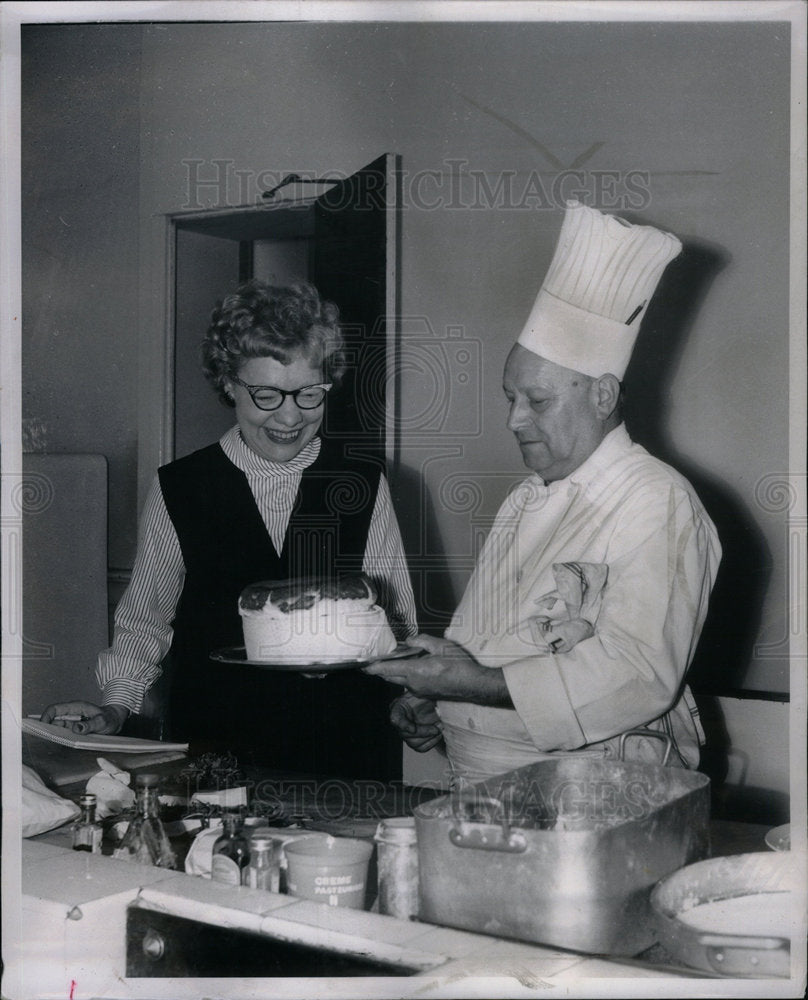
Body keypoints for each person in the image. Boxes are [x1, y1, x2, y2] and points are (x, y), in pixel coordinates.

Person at [366, 201, 721, 784]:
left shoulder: (657, 501)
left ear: (603, 396)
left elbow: (637, 676)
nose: (514, 420)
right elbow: (485, 648)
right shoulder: (526, 499)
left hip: (590, 794)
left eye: (538, 400)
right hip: (478, 786)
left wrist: (472, 686)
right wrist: (436, 700)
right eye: (511, 397)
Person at [42, 280, 417, 779]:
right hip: (218, 747)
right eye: (265, 394)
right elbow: (145, 618)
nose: (289, 416)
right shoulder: (182, 485)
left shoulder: (362, 480)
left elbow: (398, 621)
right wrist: (116, 706)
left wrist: (415, 699)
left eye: (309, 393)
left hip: (346, 742)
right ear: (228, 384)